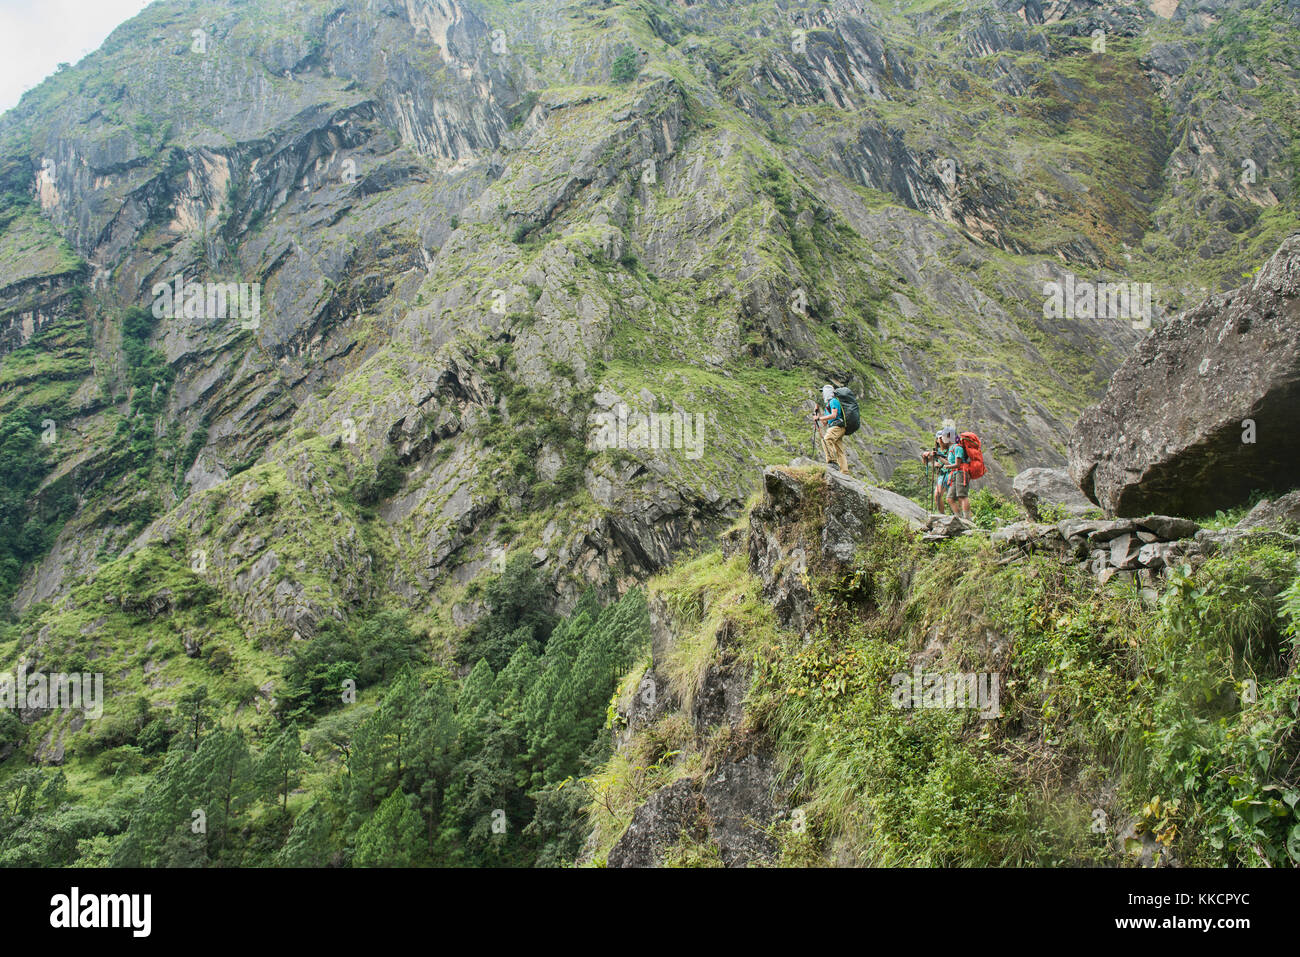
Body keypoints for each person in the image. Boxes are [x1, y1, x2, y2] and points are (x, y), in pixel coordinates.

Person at [938, 425, 972, 520]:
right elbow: (950, 463)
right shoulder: (951, 448)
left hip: (961, 473)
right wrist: (939, 457)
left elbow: (957, 464)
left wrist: (947, 466)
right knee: (950, 498)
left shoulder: (958, 448)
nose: (942, 438)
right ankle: (958, 519)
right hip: (954, 474)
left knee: (962, 496)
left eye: (944, 436)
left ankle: (967, 519)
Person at [815, 384, 849, 475]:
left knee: (826, 439)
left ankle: (832, 462)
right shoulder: (828, 405)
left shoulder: (833, 401)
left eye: (823, 392)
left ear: (827, 392)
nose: (822, 394)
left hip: (837, 426)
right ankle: (844, 471)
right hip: (837, 427)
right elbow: (825, 423)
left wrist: (819, 418)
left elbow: (834, 415)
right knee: (839, 449)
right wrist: (818, 414)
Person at [920, 430, 949, 513]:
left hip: (951, 474)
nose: (943, 439)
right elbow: (925, 463)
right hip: (942, 475)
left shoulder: (951, 449)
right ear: (937, 440)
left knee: (953, 498)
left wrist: (939, 462)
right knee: (937, 495)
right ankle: (942, 516)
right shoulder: (937, 450)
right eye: (941, 438)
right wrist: (925, 456)